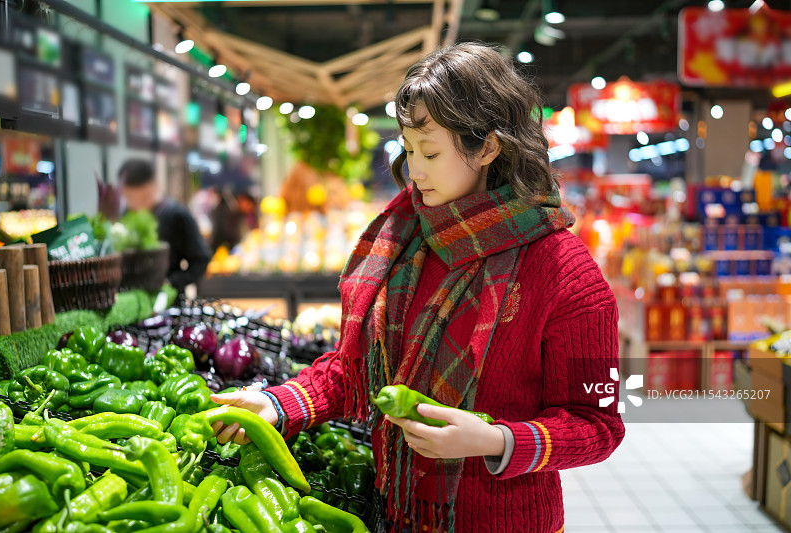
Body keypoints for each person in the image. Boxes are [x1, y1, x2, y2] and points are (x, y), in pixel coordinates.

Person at [209, 43, 624, 533]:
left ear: (488, 147)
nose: (415, 171)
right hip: (396, 514)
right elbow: (356, 371)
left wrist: (495, 440)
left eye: (431, 152)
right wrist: (279, 405)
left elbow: (599, 425)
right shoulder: (405, 239)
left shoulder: (565, 273)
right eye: (408, 150)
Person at [118, 158, 212, 296]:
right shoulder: (125, 215)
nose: (135, 204)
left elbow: (201, 259)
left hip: (168, 299)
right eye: (129, 197)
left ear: (154, 186)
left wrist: (170, 282)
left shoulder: (177, 215)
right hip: (131, 297)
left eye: (143, 197)